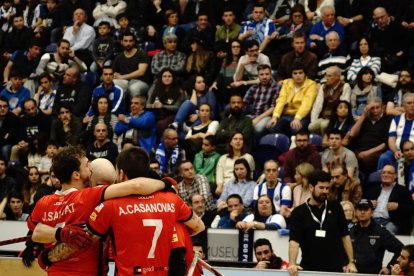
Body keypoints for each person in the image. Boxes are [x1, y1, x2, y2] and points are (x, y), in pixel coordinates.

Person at [28, 146, 176, 275]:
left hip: (55, 272)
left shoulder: (44, 202)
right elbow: (136, 186)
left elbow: (35, 233)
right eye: (87, 165)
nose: (91, 168)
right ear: (76, 175)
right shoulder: (89, 196)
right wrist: (165, 183)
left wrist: (57, 235)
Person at [86, 147, 204, 276]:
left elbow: (85, 240)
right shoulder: (172, 200)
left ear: (121, 174)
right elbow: (199, 227)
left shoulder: (110, 205)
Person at [288, 170, 358, 275]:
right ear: (311, 187)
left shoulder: (336, 207)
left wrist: (351, 262)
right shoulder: (299, 212)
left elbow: (345, 236)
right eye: (321, 188)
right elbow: (294, 240)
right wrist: (292, 263)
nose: (325, 191)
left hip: (336, 269)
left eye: (327, 188)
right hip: (309, 268)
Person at [350, 198, 403, 274]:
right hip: (353, 274)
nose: (362, 212)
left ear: (372, 212)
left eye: (365, 209)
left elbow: (400, 249)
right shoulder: (351, 231)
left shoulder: (380, 232)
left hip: (373, 274)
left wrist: (389, 267)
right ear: (356, 212)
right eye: (360, 209)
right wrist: (347, 264)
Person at [266, 62, 318, 137]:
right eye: (295, 73)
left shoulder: (311, 84)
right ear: (291, 75)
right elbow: (281, 100)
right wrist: (275, 117)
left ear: (305, 74)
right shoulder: (287, 83)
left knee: (295, 129)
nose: (298, 76)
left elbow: (307, 104)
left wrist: (297, 118)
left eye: (300, 73)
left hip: (302, 117)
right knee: (271, 127)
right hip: (286, 115)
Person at [350, 97, 392, 174]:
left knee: (367, 161)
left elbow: (385, 144)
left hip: (376, 152)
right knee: (347, 158)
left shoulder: (388, 119)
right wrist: (363, 116)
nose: (375, 110)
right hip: (360, 150)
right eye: (372, 108)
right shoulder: (364, 119)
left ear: (382, 107)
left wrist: (368, 153)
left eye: (377, 107)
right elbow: (352, 134)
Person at [368, 165, 413, 235]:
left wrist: (398, 206)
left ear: (395, 176)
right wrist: (369, 203)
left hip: (390, 222)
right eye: (383, 173)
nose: (385, 175)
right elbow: (362, 203)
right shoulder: (373, 189)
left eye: (389, 173)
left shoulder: (403, 191)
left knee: (387, 234)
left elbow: (410, 209)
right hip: (371, 221)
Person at [309, 66, 351, 136]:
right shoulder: (323, 87)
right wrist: (313, 121)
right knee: (311, 126)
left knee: (324, 125)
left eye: (329, 76)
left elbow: (343, 106)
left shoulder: (345, 86)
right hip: (323, 117)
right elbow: (317, 106)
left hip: (335, 118)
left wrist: (336, 120)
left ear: (337, 77)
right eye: (326, 75)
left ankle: (326, 142)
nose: (326, 78)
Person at [243, 64, 279, 140]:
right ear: (258, 76)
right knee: (240, 125)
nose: (264, 77)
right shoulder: (254, 88)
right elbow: (244, 104)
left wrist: (257, 119)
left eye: (267, 74)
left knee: (258, 128)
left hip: (267, 116)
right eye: (261, 74)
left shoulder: (276, 87)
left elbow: (273, 107)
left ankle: (255, 150)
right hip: (253, 115)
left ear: (270, 75)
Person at [368, 7, 406, 73]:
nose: (380, 20)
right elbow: (375, 48)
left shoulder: (398, 26)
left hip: (397, 57)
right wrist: (383, 56)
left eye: (382, 17)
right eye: (377, 18)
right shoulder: (374, 31)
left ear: (387, 15)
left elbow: (406, 43)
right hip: (382, 58)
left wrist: (401, 52)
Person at [112, 31, 150, 98]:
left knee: (134, 89)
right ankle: (120, 107)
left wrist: (123, 77)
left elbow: (141, 72)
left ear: (134, 42)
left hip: (141, 82)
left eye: (130, 41)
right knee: (114, 84)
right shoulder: (119, 57)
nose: (128, 43)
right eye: (125, 41)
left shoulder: (141, 54)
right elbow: (115, 72)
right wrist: (115, 75)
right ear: (122, 42)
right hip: (125, 81)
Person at [0, 96, 23, 161]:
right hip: (4, 142)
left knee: (5, 149)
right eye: (0, 106)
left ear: (8, 107)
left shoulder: (13, 118)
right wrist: (4, 137)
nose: (2, 109)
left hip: (9, 144)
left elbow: (12, 138)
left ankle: (5, 168)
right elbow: (6, 137)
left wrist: (4, 138)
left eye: (5, 106)